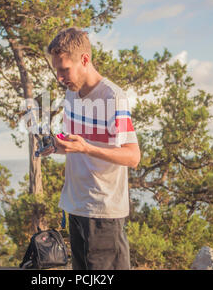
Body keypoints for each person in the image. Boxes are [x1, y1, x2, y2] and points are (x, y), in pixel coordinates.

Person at [40, 27, 141, 270]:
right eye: (57, 70)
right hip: (76, 205)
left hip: (103, 212)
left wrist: (86, 148)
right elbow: (77, 145)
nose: (60, 77)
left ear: (84, 60)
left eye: (64, 69)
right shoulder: (71, 95)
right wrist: (57, 147)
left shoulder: (112, 97)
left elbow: (132, 156)